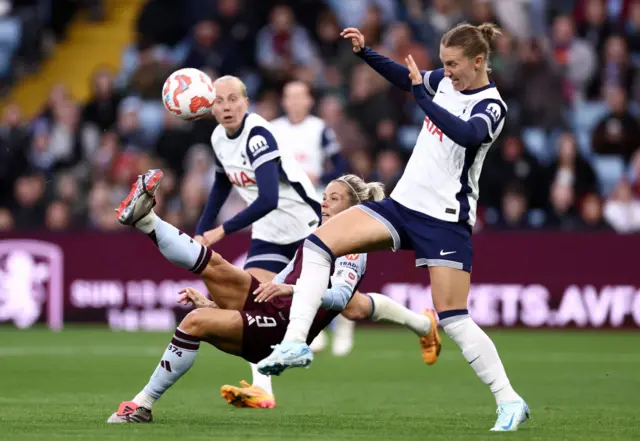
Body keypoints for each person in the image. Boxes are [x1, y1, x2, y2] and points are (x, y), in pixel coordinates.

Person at [257, 23, 530, 432]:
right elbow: (408, 78)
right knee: (318, 243)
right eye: (443, 65)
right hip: (401, 207)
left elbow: (467, 133)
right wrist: (366, 53)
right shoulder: (444, 81)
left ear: (478, 61)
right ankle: (297, 342)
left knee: (453, 317)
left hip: (444, 222)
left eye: (453, 65)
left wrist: (422, 94)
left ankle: (509, 400)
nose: (446, 72)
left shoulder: (492, 106)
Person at [108, 170, 440, 422]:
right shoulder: (320, 235)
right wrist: (215, 302)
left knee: (194, 323)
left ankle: (141, 405)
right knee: (220, 267)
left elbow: (340, 297)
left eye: (334, 198)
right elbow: (280, 282)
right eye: (325, 195)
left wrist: (294, 289)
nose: (324, 201)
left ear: (355, 209)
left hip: (282, 327)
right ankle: (146, 219)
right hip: (272, 307)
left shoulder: (355, 247)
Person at [193, 75, 322, 408]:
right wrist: (200, 229)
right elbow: (221, 184)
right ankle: (262, 387)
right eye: (219, 101)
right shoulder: (218, 138)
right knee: (248, 305)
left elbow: (268, 199)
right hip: (269, 235)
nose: (226, 107)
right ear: (211, 107)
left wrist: (220, 231)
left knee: (349, 305)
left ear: (246, 103)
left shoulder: (258, 135)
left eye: (233, 99)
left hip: (305, 228)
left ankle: (420, 322)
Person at [271, 80, 353, 357]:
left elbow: (340, 164)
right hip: (284, 208)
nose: (294, 102)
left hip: (317, 204)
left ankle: (341, 325)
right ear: (284, 101)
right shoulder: (274, 130)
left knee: (324, 266)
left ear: (308, 101)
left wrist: (324, 179)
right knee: (295, 267)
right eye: (289, 96)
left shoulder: (319, 129)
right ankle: (308, 330)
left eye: (300, 96)